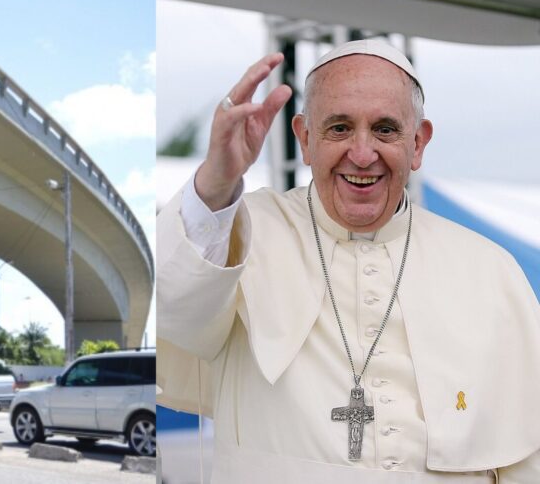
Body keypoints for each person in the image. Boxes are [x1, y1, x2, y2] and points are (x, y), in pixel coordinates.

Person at [157, 39, 540, 483]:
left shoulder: (488, 269)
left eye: (385, 130)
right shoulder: (242, 231)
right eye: (339, 128)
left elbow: (526, 453)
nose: (362, 154)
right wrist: (215, 183)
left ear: (418, 143)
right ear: (304, 138)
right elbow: (173, 310)